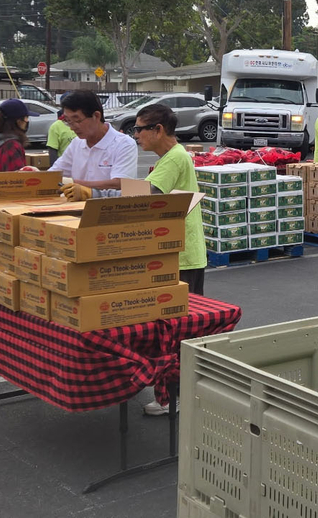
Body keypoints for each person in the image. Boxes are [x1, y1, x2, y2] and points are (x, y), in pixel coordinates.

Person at [131, 102, 206, 417]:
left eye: (139, 129)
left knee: (175, 331)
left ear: (157, 130)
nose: (136, 136)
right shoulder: (173, 157)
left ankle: (173, 396)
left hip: (182, 256)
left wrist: (99, 194)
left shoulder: (173, 158)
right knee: (176, 330)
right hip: (181, 252)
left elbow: (145, 195)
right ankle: (175, 393)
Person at [51, 90, 137, 201]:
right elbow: (54, 174)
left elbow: (120, 183)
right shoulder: (76, 143)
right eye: (68, 121)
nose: (72, 127)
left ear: (96, 116)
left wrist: (75, 184)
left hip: (107, 209)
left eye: (77, 120)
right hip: (74, 207)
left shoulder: (124, 144)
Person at [0, 99, 31, 172]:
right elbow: (18, 179)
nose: (27, 121)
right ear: (18, 121)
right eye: (26, 117)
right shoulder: (12, 146)